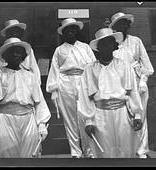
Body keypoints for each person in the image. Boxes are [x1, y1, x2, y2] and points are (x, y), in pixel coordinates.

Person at [77, 28, 144, 158]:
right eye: (102, 44)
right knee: (103, 152)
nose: (106, 47)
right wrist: (89, 121)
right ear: (98, 48)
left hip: (122, 113)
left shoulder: (124, 65)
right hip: (100, 115)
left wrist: (137, 114)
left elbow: (133, 92)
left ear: (115, 46)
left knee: (125, 150)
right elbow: (85, 97)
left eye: (109, 43)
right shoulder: (90, 69)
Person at [0, 38, 51, 158]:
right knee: (7, 156)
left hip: (29, 121)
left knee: (30, 156)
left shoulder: (30, 76)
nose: (16, 54)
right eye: (12, 51)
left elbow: (39, 102)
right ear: (5, 56)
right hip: (5, 120)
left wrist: (42, 124)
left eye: (19, 51)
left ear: (23, 55)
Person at [46, 18, 97, 158]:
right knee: (70, 119)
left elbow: (93, 67)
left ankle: (89, 150)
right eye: (66, 29)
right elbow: (55, 70)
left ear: (76, 30)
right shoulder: (59, 50)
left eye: (72, 29)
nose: (70, 31)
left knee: (86, 116)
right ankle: (75, 151)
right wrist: (54, 91)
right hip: (65, 83)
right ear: (63, 32)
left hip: (83, 82)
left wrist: (94, 87)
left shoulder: (85, 47)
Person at [109, 12, 154, 158]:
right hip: (119, 84)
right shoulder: (112, 42)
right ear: (114, 27)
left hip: (136, 80)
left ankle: (141, 151)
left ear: (128, 25)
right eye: (119, 24)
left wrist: (143, 80)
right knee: (123, 118)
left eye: (125, 23)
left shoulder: (136, 41)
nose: (122, 26)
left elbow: (145, 63)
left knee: (139, 116)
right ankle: (127, 151)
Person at [0, 19, 41, 85]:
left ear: (20, 33)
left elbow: (34, 69)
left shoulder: (27, 49)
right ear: (7, 34)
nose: (14, 34)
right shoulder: (3, 50)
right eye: (11, 32)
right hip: (8, 82)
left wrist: (36, 86)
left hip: (25, 82)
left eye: (16, 31)